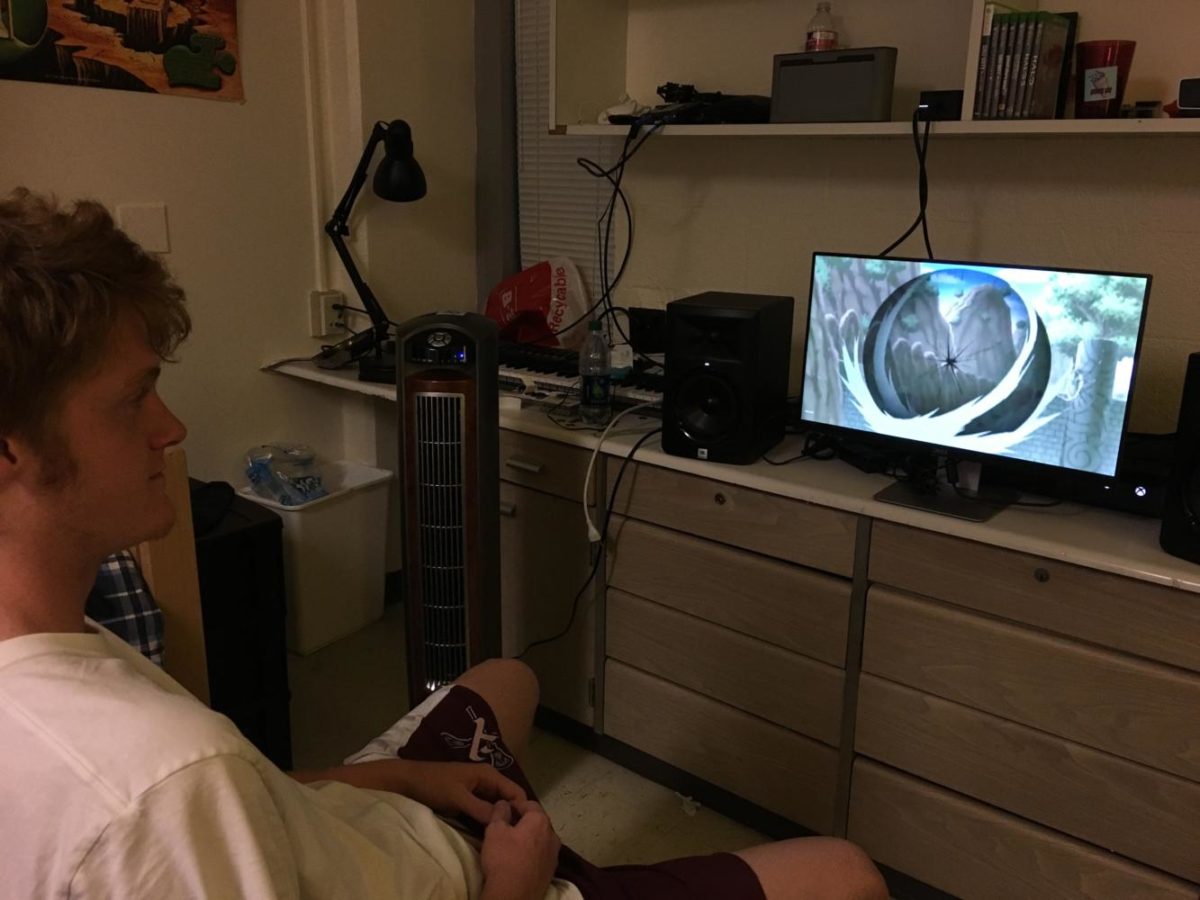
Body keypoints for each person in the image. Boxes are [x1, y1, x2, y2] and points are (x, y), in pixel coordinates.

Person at [0, 188, 888, 900]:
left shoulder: (65, 659)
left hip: (375, 833)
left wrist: (405, 782)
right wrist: (515, 883)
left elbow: (251, 805)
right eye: (133, 399)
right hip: (484, 881)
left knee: (506, 678)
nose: (171, 427)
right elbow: (195, 801)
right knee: (843, 873)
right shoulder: (161, 791)